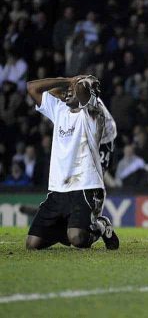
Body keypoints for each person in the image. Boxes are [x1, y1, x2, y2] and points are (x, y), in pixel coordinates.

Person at [25, 75, 119, 250]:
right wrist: (66, 81)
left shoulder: (92, 112)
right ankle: (70, 226)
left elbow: (84, 87)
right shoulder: (58, 110)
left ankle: (100, 226)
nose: (69, 91)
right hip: (58, 190)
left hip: (85, 186)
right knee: (32, 244)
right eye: (67, 90)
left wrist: (81, 82)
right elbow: (32, 88)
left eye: (72, 89)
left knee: (78, 239)